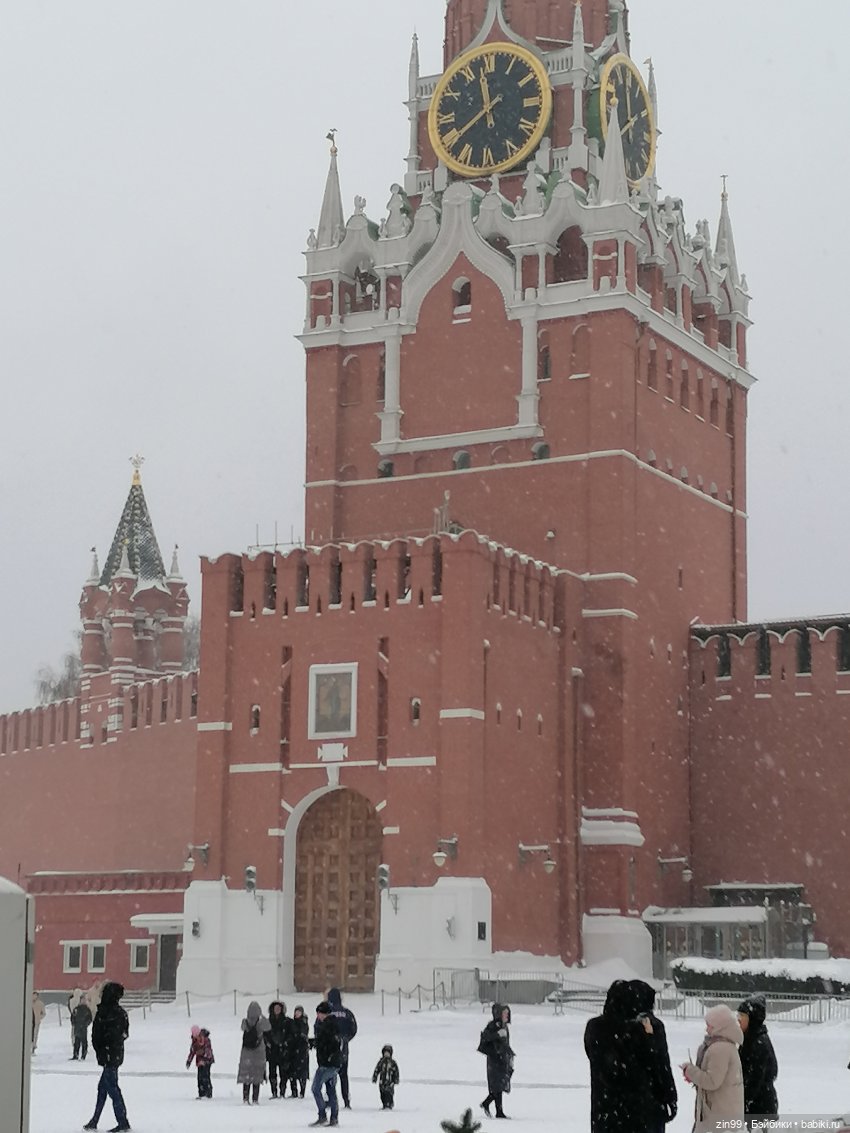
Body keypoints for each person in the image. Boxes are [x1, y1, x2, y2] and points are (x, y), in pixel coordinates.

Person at [584, 979, 658, 1133]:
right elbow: (649, 1064)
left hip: (603, 1109)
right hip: (633, 1110)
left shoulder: (595, 1028)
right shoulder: (635, 1031)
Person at [681, 1003, 744, 1133]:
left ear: (719, 1027)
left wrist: (690, 1071)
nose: (706, 1029)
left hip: (718, 1115)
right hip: (724, 1112)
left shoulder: (719, 1049)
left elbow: (712, 1081)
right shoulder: (726, 1045)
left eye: (710, 1025)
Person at [629, 980, 678, 1130]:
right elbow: (662, 1063)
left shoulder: (620, 1025)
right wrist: (670, 1097)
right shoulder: (654, 1025)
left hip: (628, 1100)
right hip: (653, 1097)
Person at [83, 980, 131, 1132]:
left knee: (111, 1088)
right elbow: (124, 1034)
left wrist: (101, 1049)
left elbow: (96, 1035)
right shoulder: (121, 1013)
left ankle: (122, 1122)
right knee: (104, 1087)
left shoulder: (104, 1013)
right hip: (115, 1055)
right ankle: (95, 1120)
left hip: (108, 1056)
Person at [737, 995, 778, 1125]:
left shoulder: (758, 1043)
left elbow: (755, 1079)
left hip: (759, 1109)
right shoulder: (749, 1039)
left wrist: (743, 1102)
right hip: (756, 1107)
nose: (738, 1019)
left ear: (752, 1019)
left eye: (742, 1016)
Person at [478, 1003, 514, 1119]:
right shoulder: (492, 1026)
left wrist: (510, 1056)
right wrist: (497, 1034)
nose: (506, 1015)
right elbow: (486, 1037)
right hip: (494, 1060)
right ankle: (489, 1105)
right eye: (504, 1013)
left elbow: (505, 1044)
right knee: (497, 1086)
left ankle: (498, 1110)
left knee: (501, 1085)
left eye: (507, 1013)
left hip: (503, 1059)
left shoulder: (504, 1026)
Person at [309, 1000, 342, 1126]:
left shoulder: (327, 1026)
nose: (318, 1016)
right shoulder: (332, 1024)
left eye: (319, 1013)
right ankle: (334, 1117)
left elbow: (328, 1043)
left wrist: (316, 1043)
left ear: (324, 1013)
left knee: (316, 1088)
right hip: (333, 1063)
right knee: (331, 1090)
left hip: (327, 1064)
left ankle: (323, 1115)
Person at [327, 987, 357, 1109]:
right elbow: (353, 1028)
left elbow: (319, 1027)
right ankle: (346, 1100)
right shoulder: (347, 1013)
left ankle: (331, 1099)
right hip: (343, 1048)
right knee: (344, 1075)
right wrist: (346, 1038)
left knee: (329, 1075)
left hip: (329, 1048)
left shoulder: (327, 1012)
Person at [237, 1000, 271, 1105]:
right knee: (257, 1076)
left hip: (246, 1052)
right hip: (258, 1052)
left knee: (246, 1076)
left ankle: (245, 1098)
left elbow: (242, 1028)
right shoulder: (261, 1023)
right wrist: (261, 1016)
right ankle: (255, 1099)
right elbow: (268, 1027)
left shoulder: (245, 1022)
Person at [265, 1000, 291, 1098]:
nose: (277, 1010)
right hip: (272, 1051)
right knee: (272, 1073)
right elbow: (265, 1035)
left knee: (283, 1073)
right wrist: (268, 1043)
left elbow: (290, 1034)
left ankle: (282, 1091)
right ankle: (274, 1092)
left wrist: (285, 1043)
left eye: (279, 1008)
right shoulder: (268, 1022)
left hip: (283, 1051)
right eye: (275, 1008)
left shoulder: (286, 1021)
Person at [186, 1023, 215, 1099]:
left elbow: (208, 1051)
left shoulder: (206, 1040)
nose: (195, 1036)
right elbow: (192, 1052)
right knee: (199, 1078)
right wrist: (189, 1061)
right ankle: (201, 1094)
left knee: (205, 1076)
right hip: (199, 1062)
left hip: (207, 1061)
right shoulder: (194, 1041)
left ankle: (208, 1093)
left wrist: (203, 1057)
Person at [288, 1004, 310, 1099]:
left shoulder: (304, 1023)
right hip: (293, 1050)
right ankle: (294, 1091)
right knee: (292, 1071)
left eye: (299, 1012)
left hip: (302, 1050)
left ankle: (302, 1091)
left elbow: (302, 1034)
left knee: (302, 1072)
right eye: (296, 1012)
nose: (297, 1014)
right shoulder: (292, 1023)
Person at [372, 1043, 400, 1110]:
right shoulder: (381, 1062)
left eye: (388, 1053)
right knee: (382, 1093)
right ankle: (384, 1104)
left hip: (390, 1082)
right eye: (385, 1053)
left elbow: (396, 1071)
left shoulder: (393, 1063)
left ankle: (389, 1104)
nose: (386, 1054)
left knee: (389, 1093)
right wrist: (375, 1077)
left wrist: (396, 1079)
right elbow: (377, 1070)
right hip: (382, 1081)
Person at [71, 994, 94, 1060]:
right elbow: (72, 1017)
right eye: (82, 1000)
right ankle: (75, 1055)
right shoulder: (76, 1009)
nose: (83, 1001)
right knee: (76, 1042)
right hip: (77, 1027)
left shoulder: (87, 1010)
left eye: (84, 1000)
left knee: (84, 1042)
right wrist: (74, 1023)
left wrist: (86, 1024)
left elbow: (90, 1018)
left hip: (83, 1028)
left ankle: (83, 1055)